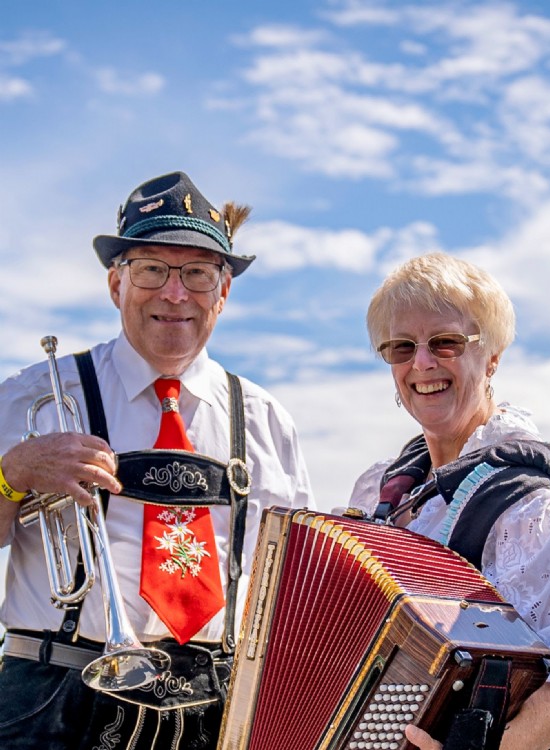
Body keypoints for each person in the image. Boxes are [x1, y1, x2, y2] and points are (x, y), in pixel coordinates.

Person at [0, 171, 314, 749]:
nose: (175, 294)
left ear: (223, 291)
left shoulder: (270, 421)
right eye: (152, 270)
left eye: (196, 273)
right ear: (116, 283)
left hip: (217, 708)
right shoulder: (30, 397)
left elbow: (294, 590)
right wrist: (10, 478)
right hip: (54, 696)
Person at [349, 252, 550, 750]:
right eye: (401, 347)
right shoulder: (381, 493)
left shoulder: (524, 498)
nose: (421, 363)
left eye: (446, 342)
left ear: (493, 355)